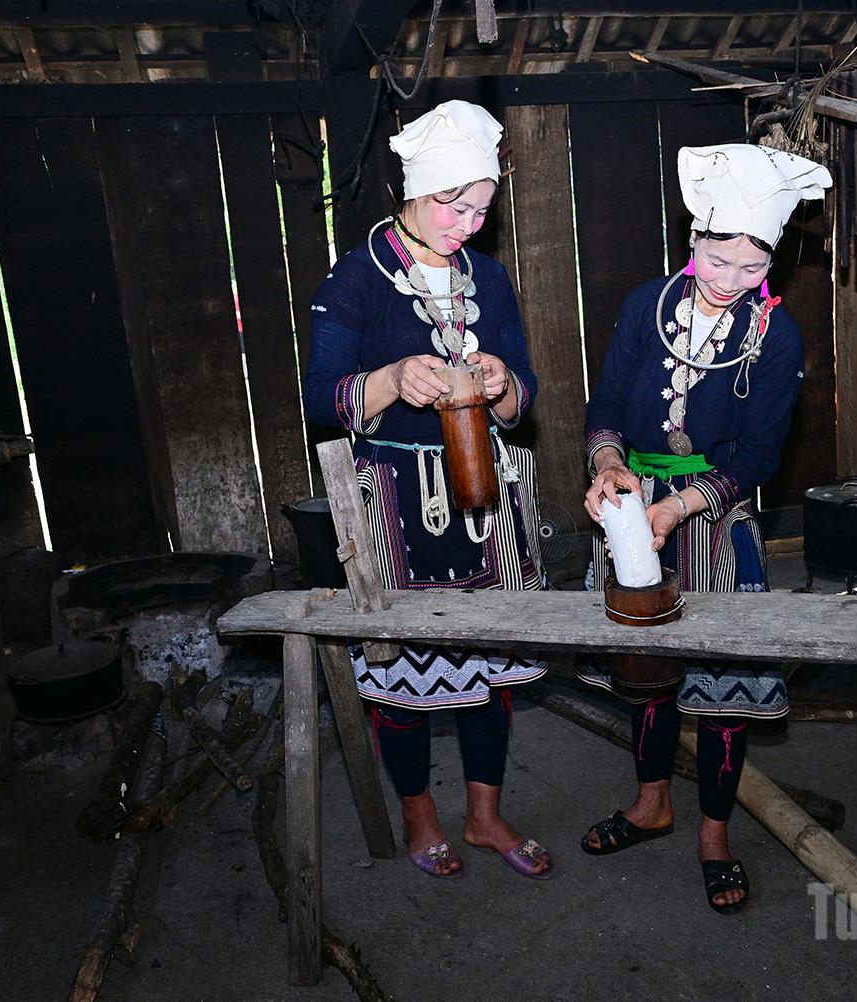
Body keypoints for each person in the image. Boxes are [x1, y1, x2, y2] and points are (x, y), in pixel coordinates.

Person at [579, 143, 831, 912]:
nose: (729, 283)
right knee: (648, 677)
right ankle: (652, 802)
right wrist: (610, 467)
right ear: (693, 244)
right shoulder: (643, 307)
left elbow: (758, 456)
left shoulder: (775, 336)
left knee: (724, 694)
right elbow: (605, 408)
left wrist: (677, 507)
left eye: (751, 270)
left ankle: (715, 832)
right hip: (634, 513)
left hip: (716, 518)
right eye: (717, 261)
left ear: (772, 267)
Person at [303, 100, 551, 880]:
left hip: (490, 504)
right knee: (402, 675)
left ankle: (483, 814)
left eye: (482, 208)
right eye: (454, 204)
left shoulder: (490, 276)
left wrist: (506, 382)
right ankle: (419, 814)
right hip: (400, 506)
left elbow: (525, 397)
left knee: (489, 670)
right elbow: (320, 399)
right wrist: (386, 379)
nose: (469, 223)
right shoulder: (360, 276)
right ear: (414, 189)